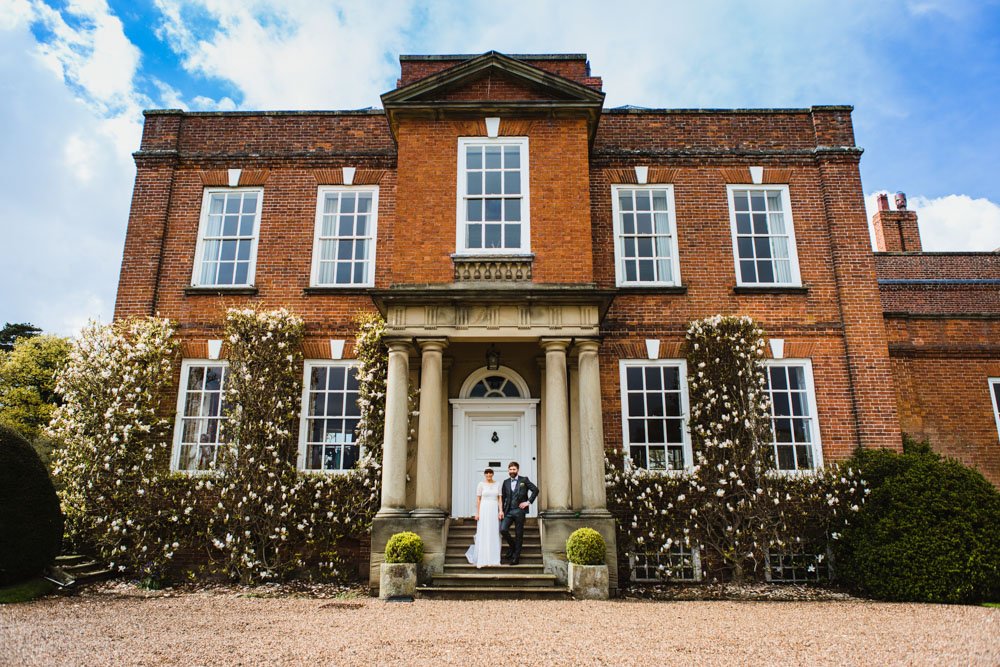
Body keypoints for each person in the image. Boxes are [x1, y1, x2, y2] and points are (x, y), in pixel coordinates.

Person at [500, 461, 538, 565]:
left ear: (517, 470)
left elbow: (535, 490)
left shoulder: (524, 480)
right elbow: (503, 497)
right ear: (508, 470)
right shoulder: (506, 482)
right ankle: (512, 547)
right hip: (508, 511)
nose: (512, 471)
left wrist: (528, 502)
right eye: (510, 469)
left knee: (519, 534)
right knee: (503, 529)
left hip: (519, 511)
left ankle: (516, 557)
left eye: (514, 469)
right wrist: (501, 510)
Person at [465, 468, 503, 568]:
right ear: (485, 475)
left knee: (493, 531)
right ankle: (483, 557)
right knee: (484, 531)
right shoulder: (481, 484)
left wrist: (500, 510)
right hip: (484, 509)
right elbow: (478, 500)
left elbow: (500, 499)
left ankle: (494, 558)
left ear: (493, 474)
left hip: (494, 509)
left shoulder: (498, 484)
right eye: (487, 473)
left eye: (490, 473)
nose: (489, 475)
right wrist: (477, 513)